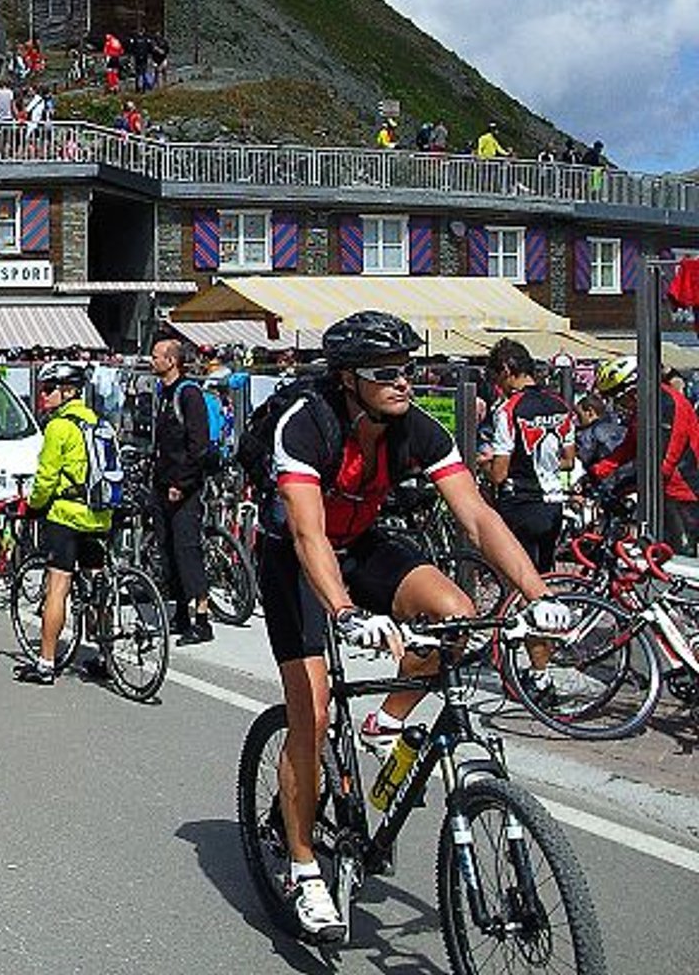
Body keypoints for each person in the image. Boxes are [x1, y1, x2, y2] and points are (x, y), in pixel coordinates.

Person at [261, 312, 569, 943]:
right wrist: (347, 615)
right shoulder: (307, 423)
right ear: (349, 379)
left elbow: (477, 517)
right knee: (312, 714)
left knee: (455, 616)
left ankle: (388, 719)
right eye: (387, 372)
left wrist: (539, 596)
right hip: (297, 558)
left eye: (409, 368)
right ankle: (302, 868)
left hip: (366, 541)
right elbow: (307, 533)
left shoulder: (416, 429)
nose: (403, 382)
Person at [16, 362, 112, 685]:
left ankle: (45, 663)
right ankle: (105, 655)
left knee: (57, 587)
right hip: (99, 514)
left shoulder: (59, 427)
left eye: (48, 389)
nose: (43, 395)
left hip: (67, 515)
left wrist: (33, 506)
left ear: (67, 391)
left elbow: (46, 479)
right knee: (97, 584)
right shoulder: (98, 422)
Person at [479, 339, 575, 573]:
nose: (497, 385)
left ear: (506, 370)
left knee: (517, 577)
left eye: (495, 377)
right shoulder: (560, 405)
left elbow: (499, 475)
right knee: (543, 576)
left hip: (520, 502)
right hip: (554, 505)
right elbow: (569, 461)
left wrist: (483, 464)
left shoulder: (508, 410)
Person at [589, 357, 699, 554]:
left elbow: (665, 461)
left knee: (680, 558)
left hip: (686, 492)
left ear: (634, 389)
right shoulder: (644, 408)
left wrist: (627, 482)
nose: (621, 406)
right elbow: (630, 446)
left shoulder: (669, 405)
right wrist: (597, 472)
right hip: (664, 492)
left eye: (620, 399)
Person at [149, 334, 214, 644]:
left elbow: (197, 445)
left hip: (183, 488)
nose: (152, 361)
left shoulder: (189, 395)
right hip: (162, 484)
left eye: (156, 356)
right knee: (168, 550)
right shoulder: (163, 393)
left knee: (188, 549)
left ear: (171, 361)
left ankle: (202, 619)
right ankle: (181, 615)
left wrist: (182, 483)